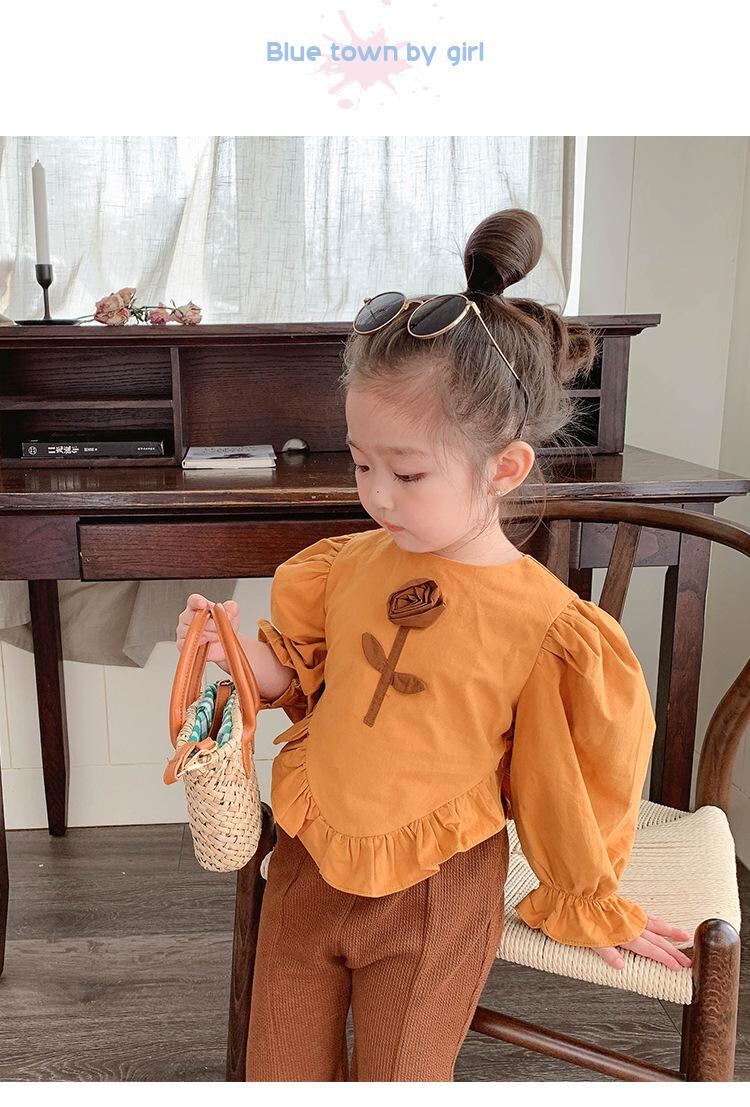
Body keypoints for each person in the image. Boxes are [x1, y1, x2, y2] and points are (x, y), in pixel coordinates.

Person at [175, 208, 692, 1082]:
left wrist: (588, 899)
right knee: (278, 1070)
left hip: (434, 894)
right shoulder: (346, 566)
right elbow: (294, 671)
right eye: (360, 462)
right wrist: (231, 654)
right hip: (305, 860)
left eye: (407, 471)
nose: (377, 494)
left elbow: (568, 786)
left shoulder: (544, 628)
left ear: (504, 468)